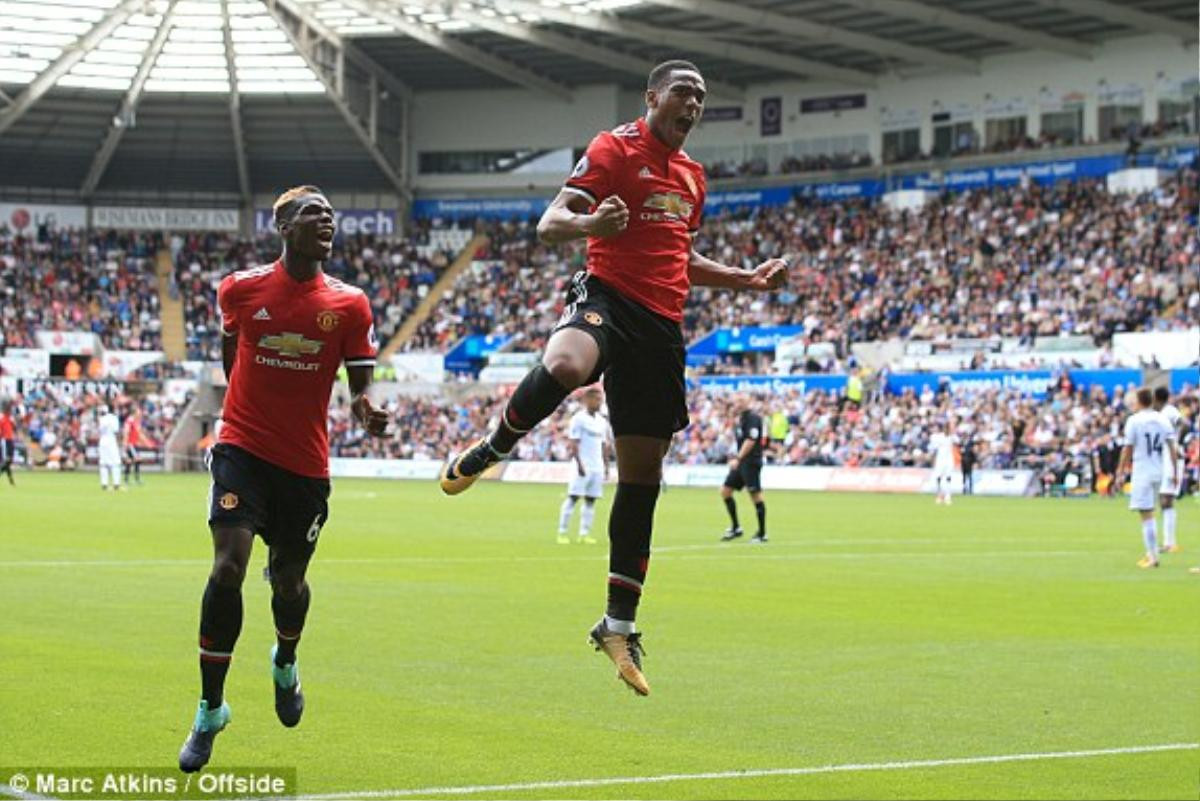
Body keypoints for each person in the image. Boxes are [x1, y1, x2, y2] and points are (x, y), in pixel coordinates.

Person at [439, 60, 787, 696]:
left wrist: (743, 278)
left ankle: (617, 626)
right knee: (568, 365)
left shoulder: (693, 176)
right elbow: (549, 225)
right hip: (608, 297)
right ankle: (493, 449)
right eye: (685, 93)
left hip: (660, 328)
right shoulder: (613, 148)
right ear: (654, 97)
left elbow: (679, 253)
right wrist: (590, 225)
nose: (695, 105)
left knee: (644, 479)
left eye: (702, 98)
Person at [178, 186, 388, 772]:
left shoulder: (349, 304)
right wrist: (245, 413)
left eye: (330, 215)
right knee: (228, 566)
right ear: (283, 228)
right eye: (312, 215)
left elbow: (360, 383)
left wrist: (367, 408)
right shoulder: (241, 289)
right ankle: (209, 708)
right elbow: (230, 353)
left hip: (304, 467)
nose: (326, 222)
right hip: (243, 449)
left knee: (288, 585)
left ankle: (284, 662)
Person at [1114, 388, 1178, 569]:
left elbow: (1127, 448)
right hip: (1159, 470)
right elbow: (1172, 447)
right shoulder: (1162, 419)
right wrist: (1174, 472)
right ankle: (1158, 548)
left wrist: (1120, 471)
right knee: (1156, 510)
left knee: (1146, 514)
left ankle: (1152, 556)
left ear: (1139, 401)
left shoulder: (1134, 421)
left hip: (1142, 471)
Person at [557, 385, 612, 545]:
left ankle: (584, 533)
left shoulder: (602, 421)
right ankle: (562, 531)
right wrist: (579, 464)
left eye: (600, 399)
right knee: (573, 497)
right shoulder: (578, 419)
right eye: (596, 399)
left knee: (590, 500)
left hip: (597, 466)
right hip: (582, 465)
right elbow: (573, 443)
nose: (599, 402)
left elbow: (604, 446)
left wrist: (606, 467)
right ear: (587, 400)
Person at [719, 394, 768, 543]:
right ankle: (736, 527)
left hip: (750, 461)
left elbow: (751, 440)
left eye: (741, 401)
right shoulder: (741, 418)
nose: (738, 403)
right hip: (741, 462)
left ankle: (762, 533)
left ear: (748, 402)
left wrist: (738, 458)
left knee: (755, 494)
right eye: (737, 401)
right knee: (725, 491)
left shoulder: (753, 418)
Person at [1153, 387, 1184, 553]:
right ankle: (1168, 542)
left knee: (1167, 499)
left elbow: (1184, 423)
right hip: (1165, 459)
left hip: (1172, 460)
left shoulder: (1170, 411)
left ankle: (1170, 543)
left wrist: (1178, 441)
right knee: (1164, 500)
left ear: (1157, 399)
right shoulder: (1159, 414)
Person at [929, 422, 958, 505]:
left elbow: (958, 441)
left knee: (948, 477)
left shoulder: (952, 437)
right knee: (938, 477)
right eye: (946, 428)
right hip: (940, 459)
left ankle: (948, 496)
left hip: (949, 459)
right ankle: (939, 495)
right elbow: (933, 446)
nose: (947, 430)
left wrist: (953, 433)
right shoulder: (938, 437)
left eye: (948, 428)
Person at [97, 404, 123, 491]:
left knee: (103, 463)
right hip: (111, 441)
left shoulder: (101, 419)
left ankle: (104, 484)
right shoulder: (114, 418)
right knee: (116, 462)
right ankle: (116, 484)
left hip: (102, 441)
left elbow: (100, 430)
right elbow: (116, 431)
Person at [123, 406, 145, 486]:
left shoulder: (137, 421)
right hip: (131, 444)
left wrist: (143, 441)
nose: (140, 414)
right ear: (134, 413)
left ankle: (129, 479)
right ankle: (132, 480)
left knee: (131, 461)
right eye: (139, 412)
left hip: (135, 444)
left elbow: (138, 433)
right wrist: (125, 443)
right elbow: (126, 432)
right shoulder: (129, 421)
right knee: (135, 460)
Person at [0, 400, 16, 486]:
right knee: (7, 460)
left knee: (9, 461)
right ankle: (11, 480)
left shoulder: (10, 418)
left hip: (10, 440)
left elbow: (14, 427)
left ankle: (11, 481)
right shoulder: (2, 418)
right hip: (5, 440)